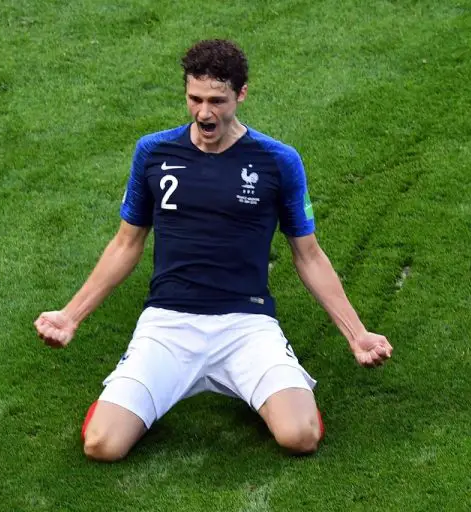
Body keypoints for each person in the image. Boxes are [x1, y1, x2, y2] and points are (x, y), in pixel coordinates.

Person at [34, 39, 393, 462]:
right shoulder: (153, 152)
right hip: (168, 324)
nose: (205, 113)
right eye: (195, 99)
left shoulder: (278, 161)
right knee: (101, 445)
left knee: (301, 436)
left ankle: (274, 393)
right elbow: (125, 244)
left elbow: (309, 255)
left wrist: (357, 334)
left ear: (241, 94)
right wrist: (70, 315)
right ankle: (132, 399)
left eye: (217, 100)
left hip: (246, 324)